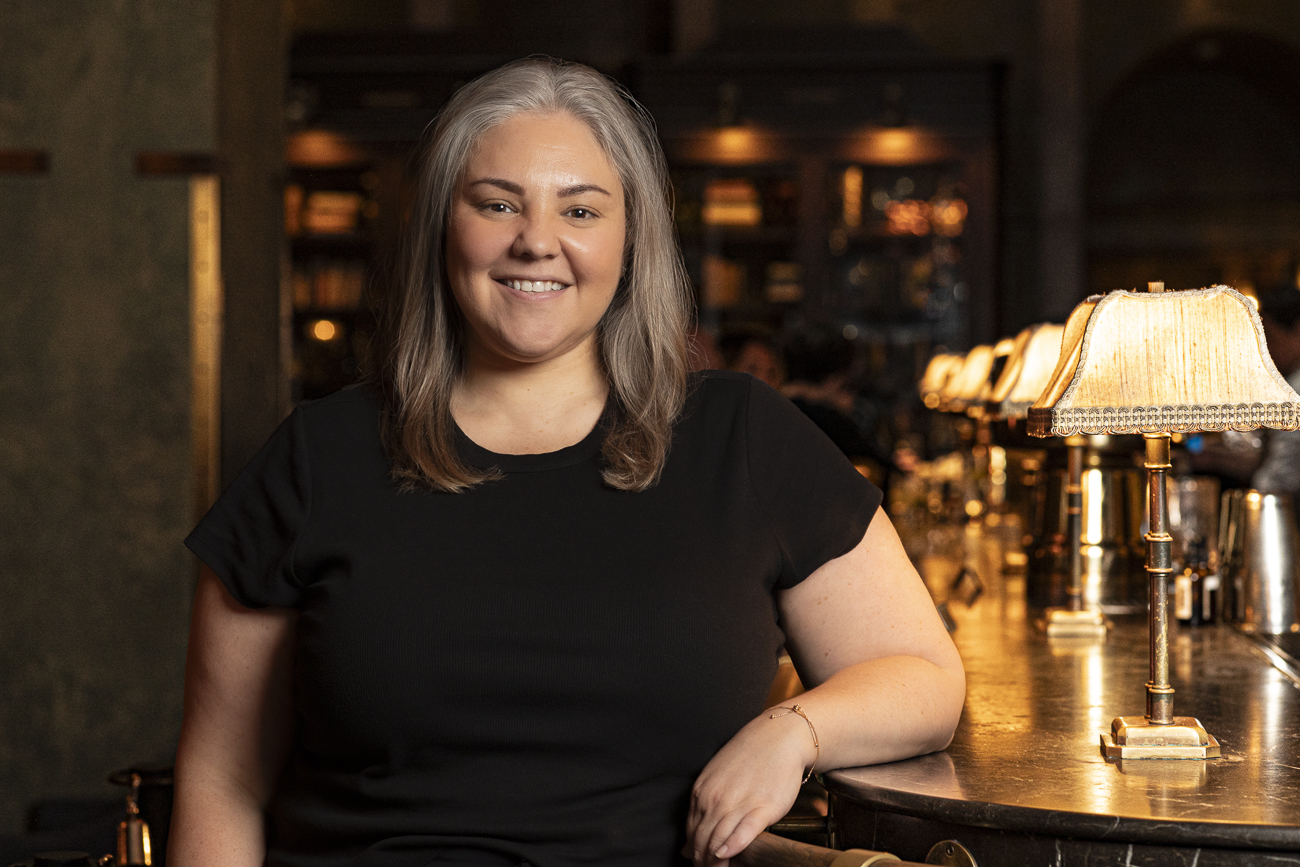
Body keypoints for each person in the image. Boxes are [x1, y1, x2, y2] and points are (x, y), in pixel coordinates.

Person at [169, 58, 964, 867]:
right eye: (497, 202)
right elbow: (222, 778)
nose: (536, 240)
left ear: (631, 238)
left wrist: (794, 731)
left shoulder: (742, 436)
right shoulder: (315, 457)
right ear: (445, 223)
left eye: (580, 208)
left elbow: (926, 677)